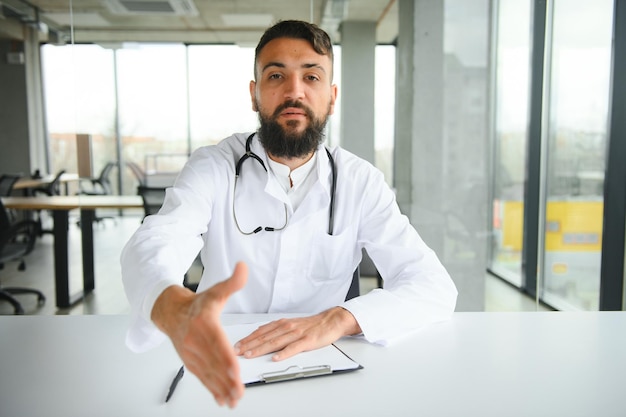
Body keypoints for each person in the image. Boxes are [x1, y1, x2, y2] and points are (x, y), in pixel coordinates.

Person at [121, 20, 457, 408]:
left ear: (331, 97)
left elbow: (433, 285)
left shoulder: (359, 180)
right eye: (276, 75)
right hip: (226, 365)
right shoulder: (214, 167)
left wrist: (339, 319)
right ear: (255, 94)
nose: (294, 91)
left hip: (327, 372)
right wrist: (169, 302)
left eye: (311, 77)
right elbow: (158, 238)